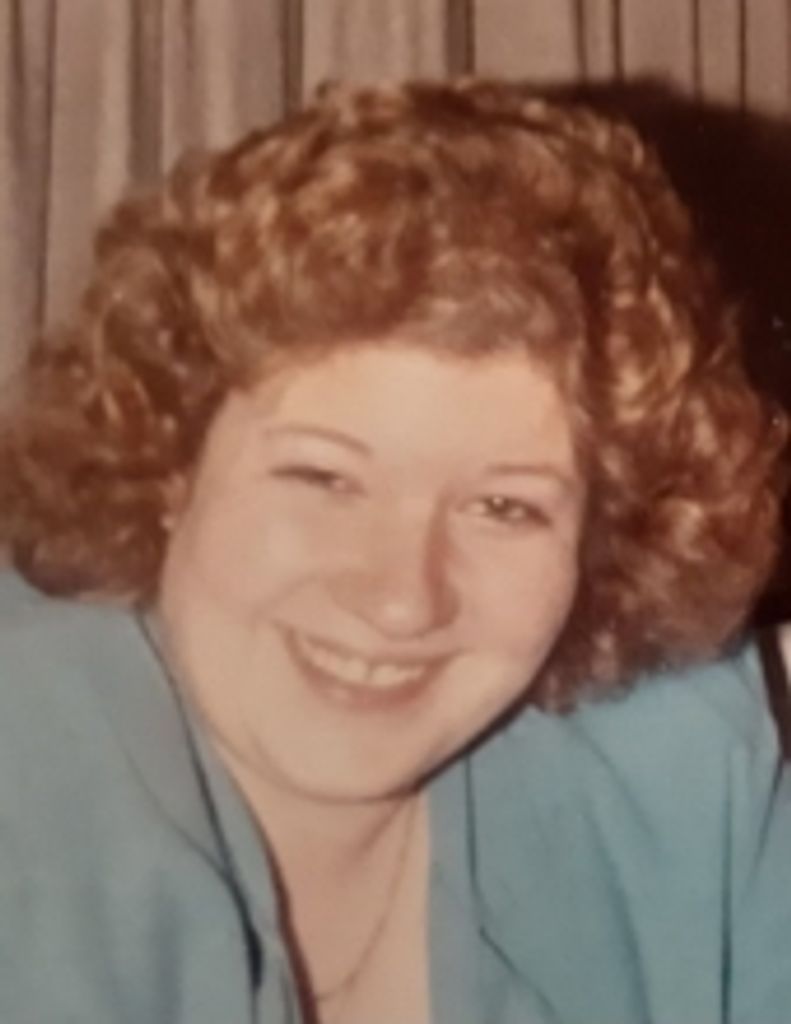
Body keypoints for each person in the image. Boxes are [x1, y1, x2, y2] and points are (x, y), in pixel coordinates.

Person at [0, 78, 789, 1024]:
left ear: (604, 540)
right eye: (324, 478)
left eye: (503, 507)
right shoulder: (28, 763)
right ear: (169, 466)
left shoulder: (667, 771)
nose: (401, 598)